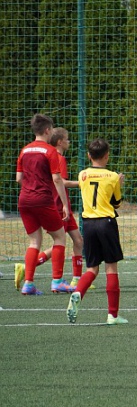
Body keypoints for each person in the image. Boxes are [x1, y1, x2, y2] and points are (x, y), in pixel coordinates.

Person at [66, 138, 126, 325]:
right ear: (107, 156)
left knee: (92, 268)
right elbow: (116, 203)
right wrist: (119, 183)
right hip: (106, 223)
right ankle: (112, 316)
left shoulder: (83, 174)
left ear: (88, 156)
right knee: (111, 267)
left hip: (89, 224)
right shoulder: (112, 176)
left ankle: (78, 292)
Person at [14, 114, 72, 295]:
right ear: (47, 130)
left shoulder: (24, 150)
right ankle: (57, 281)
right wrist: (64, 204)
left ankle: (29, 284)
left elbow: (19, 179)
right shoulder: (49, 151)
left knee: (34, 241)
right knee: (60, 237)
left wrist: (30, 189)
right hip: (42, 199)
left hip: (24, 200)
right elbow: (57, 179)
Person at [32, 127, 84, 290]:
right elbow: (61, 181)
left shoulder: (52, 156)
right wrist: (84, 182)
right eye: (67, 139)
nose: (69, 142)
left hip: (62, 205)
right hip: (59, 206)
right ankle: (30, 268)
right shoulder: (58, 158)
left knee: (78, 240)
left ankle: (76, 278)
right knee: (59, 243)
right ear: (60, 142)